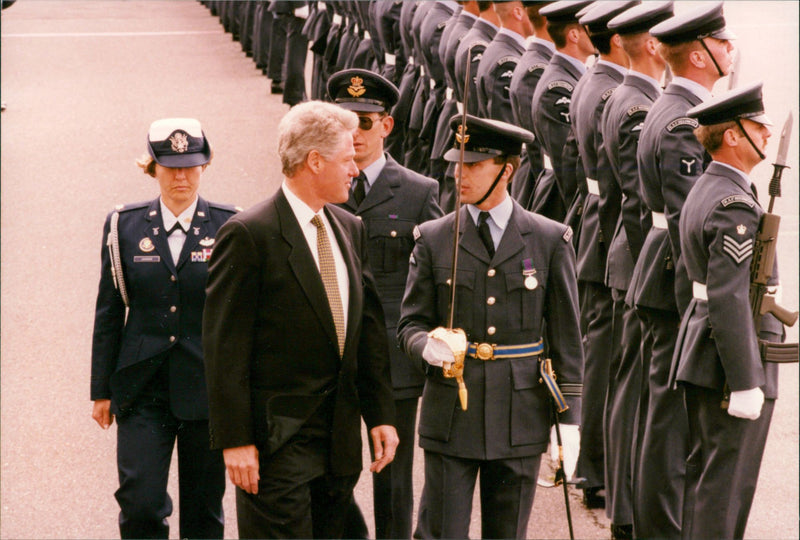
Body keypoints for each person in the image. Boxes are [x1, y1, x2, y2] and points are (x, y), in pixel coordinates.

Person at [202, 101, 399, 539]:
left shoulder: (350, 228)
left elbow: (366, 331)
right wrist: (235, 440)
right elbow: (224, 347)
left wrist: (380, 414)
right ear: (315, 161)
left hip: (337, 445)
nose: (355, 169)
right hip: (276, 445)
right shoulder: (250, 234)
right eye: (347, 159)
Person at [398, 114, 584, 539]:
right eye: (456, 163)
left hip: (519, 415)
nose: (458, 174)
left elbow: (567, 340)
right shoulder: (433, 237)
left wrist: (570, 422)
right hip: (451, 411)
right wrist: (425, 345)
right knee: (440, 533)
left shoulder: (549, 239)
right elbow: (410, 322)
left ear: (508, 169)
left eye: (473, 165)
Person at [90, 118, 236, 539]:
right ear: (152, 167)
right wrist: (101, 389)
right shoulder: (124, 226)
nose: (182, 177)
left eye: (191, 166)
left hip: (206, 388)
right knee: (140, 506)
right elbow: (110, 309)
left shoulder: (229, 225)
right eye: (171, 167)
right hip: (142, 388)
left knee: (204, 512)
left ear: (204, 167)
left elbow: (240, 319)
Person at [630, 3, 735, 537]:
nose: (730, 51)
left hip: (660, 270)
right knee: (669, 421)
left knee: (664, 415)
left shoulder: (673, 107)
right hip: (674, 277)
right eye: (723, 44)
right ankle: (660, 529)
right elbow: (687, 220)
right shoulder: (681, 123)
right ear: (700, 53)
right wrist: (699, 298)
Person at [327, 67, 444, 540]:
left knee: (392, 478)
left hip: (391, 355)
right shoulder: (318, 186)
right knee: (331, 470)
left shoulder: (419, 192)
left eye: (366, 122)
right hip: (331, 350)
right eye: (344, 123)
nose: (355, 134)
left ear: (387, 126)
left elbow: (436, 274)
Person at [672, 81, 785, 540]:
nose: (766, 134)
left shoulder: (709, 188)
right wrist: (745, 380)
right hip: (729, 364)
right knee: (725, 489)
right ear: (733, 135)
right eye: (758, 127)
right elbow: (730, 295)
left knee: (709, 482)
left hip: (705, 351)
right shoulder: (735, 205)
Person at [599, 2, 674, 538]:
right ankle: (625, 509)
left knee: (630, 385)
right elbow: (631, 201)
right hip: (640, 257)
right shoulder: (636, 106)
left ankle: (623, 504)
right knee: (634, 391)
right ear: (652, 45)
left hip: (632, 257)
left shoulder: (628, 96)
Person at [566, 1, 637, 516]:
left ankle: (593, 465)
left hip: (596, 223)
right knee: (608, 361)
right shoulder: (617, 92)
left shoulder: (597, 82)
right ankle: (595, 468)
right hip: (609, 227)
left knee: (601, 356)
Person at [528, 0, 594, 222]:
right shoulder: (557, 88)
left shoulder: (569, 76)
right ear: (574, 36)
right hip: (560, 203)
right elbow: (567, 163)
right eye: (588, 28)